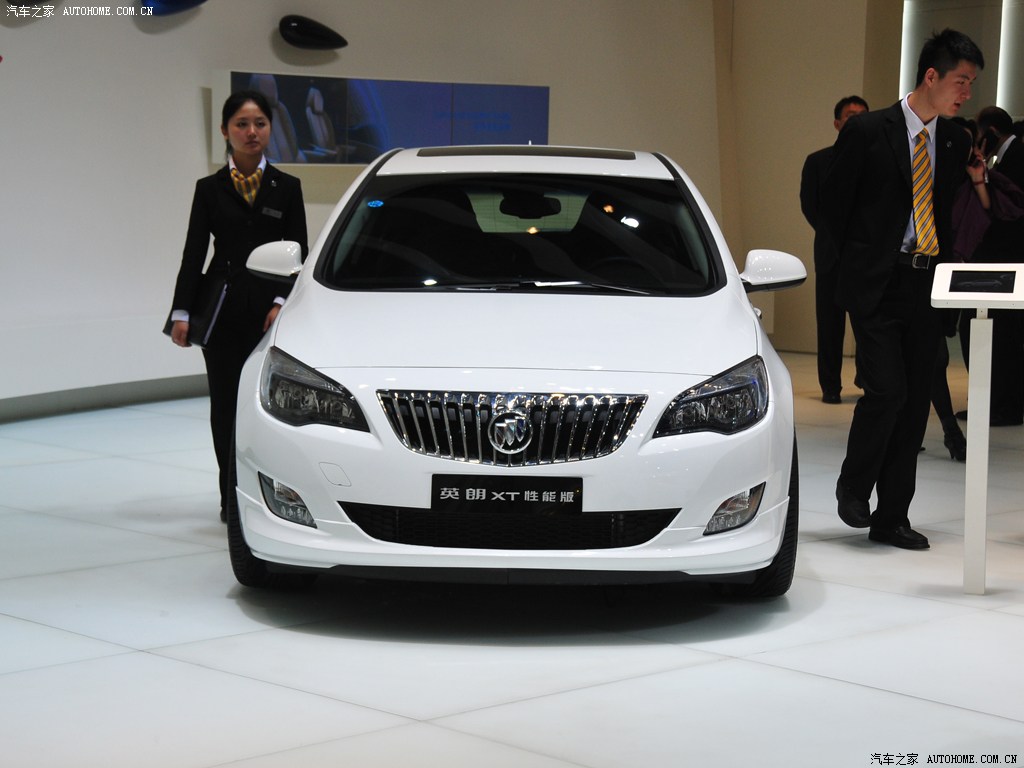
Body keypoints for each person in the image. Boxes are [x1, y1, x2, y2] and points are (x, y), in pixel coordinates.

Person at [820, 28, 984, 550]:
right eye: (961, 81)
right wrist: (854, 270)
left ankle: (892, 516)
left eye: (972, 84)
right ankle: (853, 487)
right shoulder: (869, 131)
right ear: (931, 76)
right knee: (887, 390)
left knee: (914, 405)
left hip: (926, 282)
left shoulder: (954, 140)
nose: (967, 93)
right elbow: (832, 208)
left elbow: (947, 214)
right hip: (878, 281)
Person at [169, 90, 308, 522]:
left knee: (272, 409)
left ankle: (275, 498)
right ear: (225, 131)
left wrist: (282, 301)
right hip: (222, 313)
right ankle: (231, 499)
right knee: (226, 407)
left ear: (270, 128)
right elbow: (194, 253)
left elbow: (298, 251)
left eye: (260, 124)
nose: (251, 132)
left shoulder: (287, 187)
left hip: (271, 315)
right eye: (242, 124)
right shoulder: (209, 189)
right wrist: (181, 312)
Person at [956, 106, 1024, 426]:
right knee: (999, 335)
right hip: (1000, 261)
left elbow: (1005, 213)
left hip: (1003, 262)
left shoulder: (1015, 159)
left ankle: (1001, 404)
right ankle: (998, 402)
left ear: (991, 133)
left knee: (998, 335)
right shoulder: (1002, 159)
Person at [800, 95, 869, 404]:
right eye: (851, 115)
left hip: (868, 255)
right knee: (829, 324)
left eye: (862, 115)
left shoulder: (877, 159)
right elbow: (809, 205)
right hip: (831, 252)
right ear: (837, 123)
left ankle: (867, 377)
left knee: (868, 323)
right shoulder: (817, 161)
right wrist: (834, 234)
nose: (857, 120)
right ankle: (830, 387)